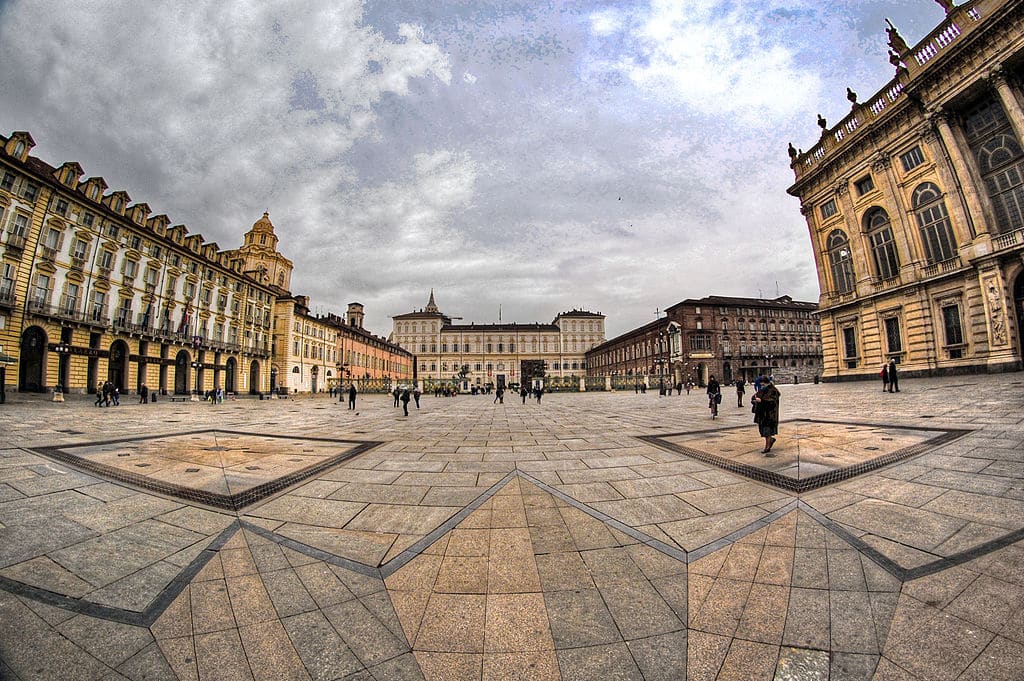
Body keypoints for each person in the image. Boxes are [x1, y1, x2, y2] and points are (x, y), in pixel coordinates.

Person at [753, 377, 781, 455]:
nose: (761, 385)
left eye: (762, 383)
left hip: (769, 414)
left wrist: (762, 401)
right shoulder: (762, 390)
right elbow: (755, 396)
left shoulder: (773, 390)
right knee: (763, 431)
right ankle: (771, 440)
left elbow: (772, 402)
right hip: (762, 414)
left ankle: (767, 446)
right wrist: (755, 400)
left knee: (767, 431)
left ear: (766, 382)